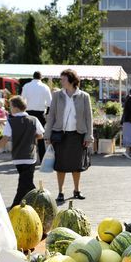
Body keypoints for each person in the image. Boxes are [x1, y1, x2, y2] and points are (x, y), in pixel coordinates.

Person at [44, 69, 93, 203]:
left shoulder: (84, 96)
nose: (61, 81)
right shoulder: (57, 95)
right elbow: (51, 116)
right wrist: (47, 134)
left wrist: (89, 136)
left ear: (71, 80)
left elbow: (89, 117)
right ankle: (61, 192)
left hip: (78, 135)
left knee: (76, 165)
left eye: (63, 79)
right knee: (61, 165)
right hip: (60, 135)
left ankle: (77, 190)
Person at [0, 96, 44, 208]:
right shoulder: (34, 119)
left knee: (25, 182)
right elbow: (40, 135)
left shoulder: (11, 122)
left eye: (10, 106)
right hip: (30, 156)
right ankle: (38, 201)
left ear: (15, 108)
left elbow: (5, 139)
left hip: (18, 156)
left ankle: (18, 205)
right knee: (26, 182)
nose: (10, 109)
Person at [21, 71, 52, 162]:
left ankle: (27, 157)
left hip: (28, 113)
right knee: (40, 136)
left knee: (28, 136)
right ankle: (42, 158)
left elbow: (22, 100)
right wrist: (47, 114)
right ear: (41, 77)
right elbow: (50, 102)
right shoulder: (45, 87)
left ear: (33, 77)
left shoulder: (26, 86)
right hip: (40, 113)